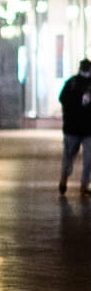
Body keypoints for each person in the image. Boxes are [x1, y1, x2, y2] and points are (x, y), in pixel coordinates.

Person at [58, 58, 91, 195]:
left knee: (86, 158)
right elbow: (63, 99)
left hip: (86, 129)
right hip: (74, 129)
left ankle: (83, 185)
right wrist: (79, 101)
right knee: (69, 156)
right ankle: (65, 177)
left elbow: (62, 99)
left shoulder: (71, 82)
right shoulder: (72, 83)